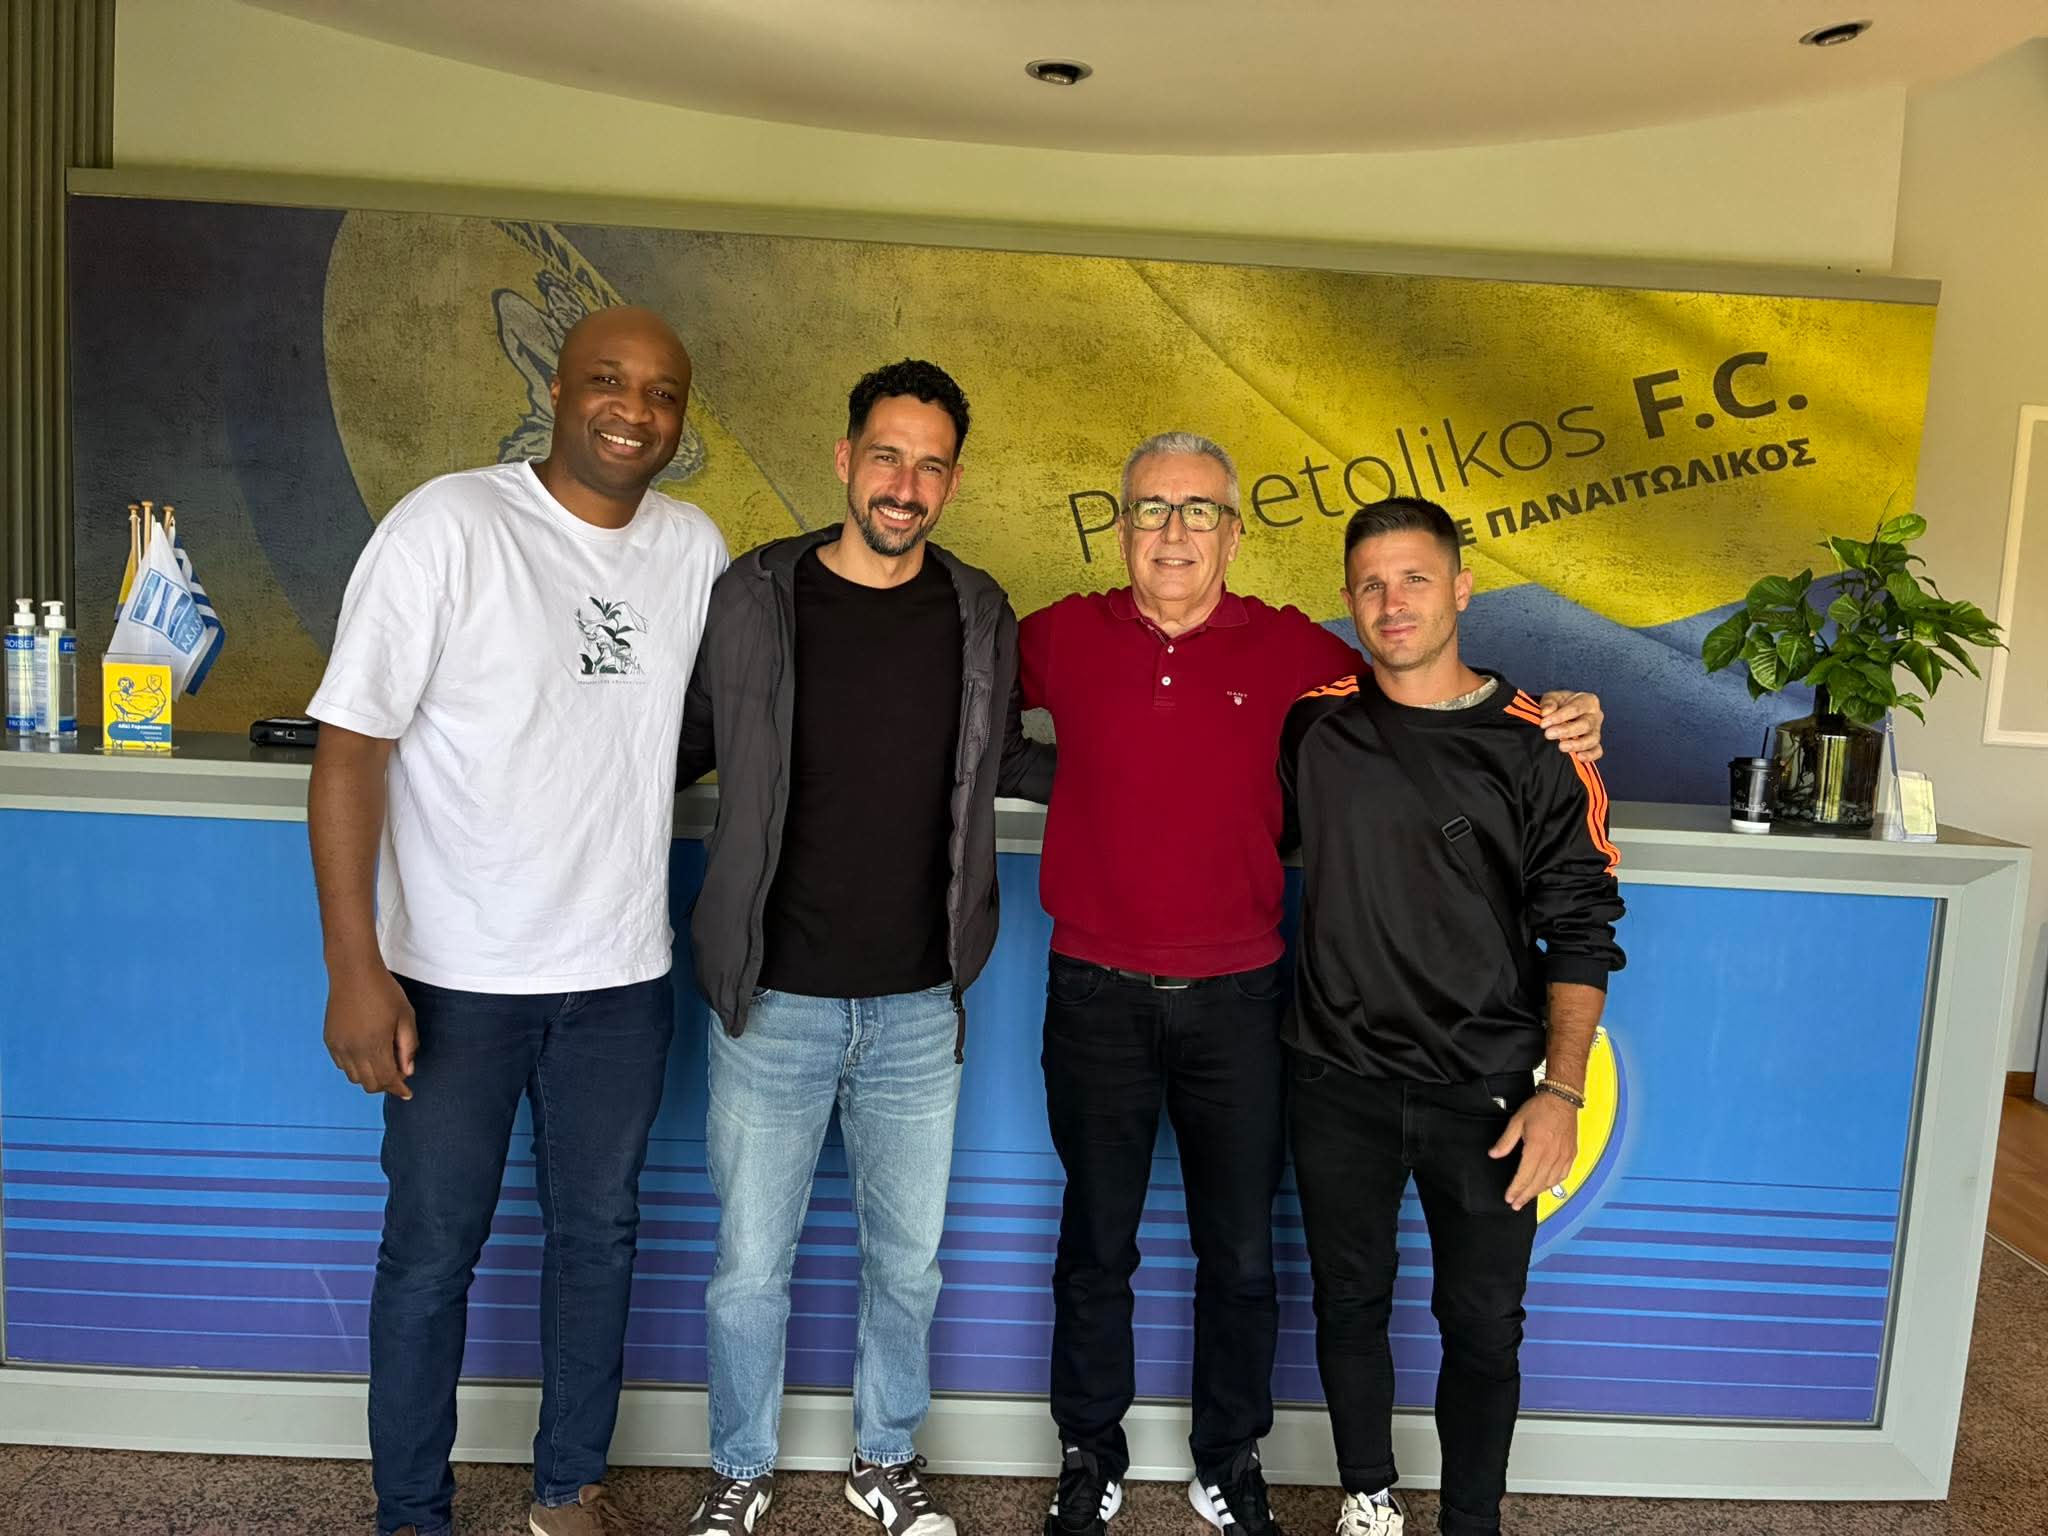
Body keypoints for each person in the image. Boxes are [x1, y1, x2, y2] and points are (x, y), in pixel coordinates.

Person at [1018, 435, 1605, 1536]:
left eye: (1200, 511)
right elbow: (957, 695)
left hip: (1244, 1002)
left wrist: (1563, 713)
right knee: (1096, 1245)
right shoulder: (1058, 634)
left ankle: (1228, 1457)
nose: (1175, 533)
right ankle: (1089, 1453)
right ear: (1120, 527)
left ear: (1236, 534)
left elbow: (1431, 690)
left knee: (1244, 1254)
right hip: (1096, 992)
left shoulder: (1301, 657)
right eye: (1152, 510)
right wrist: (1071, 780)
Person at [307, 307, 727, 1536]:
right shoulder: (447, 526)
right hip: (453, 976)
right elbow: (349, 753)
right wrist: (354, 967)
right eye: (607, 380)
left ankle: (566, 1491)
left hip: (619, 974)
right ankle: (411, 1512)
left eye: (660, 393)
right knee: (432, 1250)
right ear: (555, 387)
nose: (633, 411)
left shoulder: (692, 548)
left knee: (599, 1238)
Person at [674, 359, 1054, 1536]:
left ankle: (883, 1460)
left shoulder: (977, 611)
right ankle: (739, 1468)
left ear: (952, 482)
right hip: (771, 996)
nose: (904, 484)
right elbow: (665, 744)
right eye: (885, 456)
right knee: (749, 1265)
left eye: (930, 465)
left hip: (917, 1003)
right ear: (844, 459)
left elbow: (1011, 757)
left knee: (906, 1265)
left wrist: (1194, 765)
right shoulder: (754, 596)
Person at [1280, 496, 1626, 1536]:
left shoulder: (1542, 744)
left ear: (1462, 589)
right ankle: (1367, 1498)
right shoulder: (1312, 723)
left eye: (1415, 579)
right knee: (1347, 1302)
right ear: (1348, 600)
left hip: (1487, 1092)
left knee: (1482, 1325)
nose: (1392, 603)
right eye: (1371, 585)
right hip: (1333, 1077)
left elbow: (1581, 929)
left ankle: (1471, 1521)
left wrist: (1561, 1092)